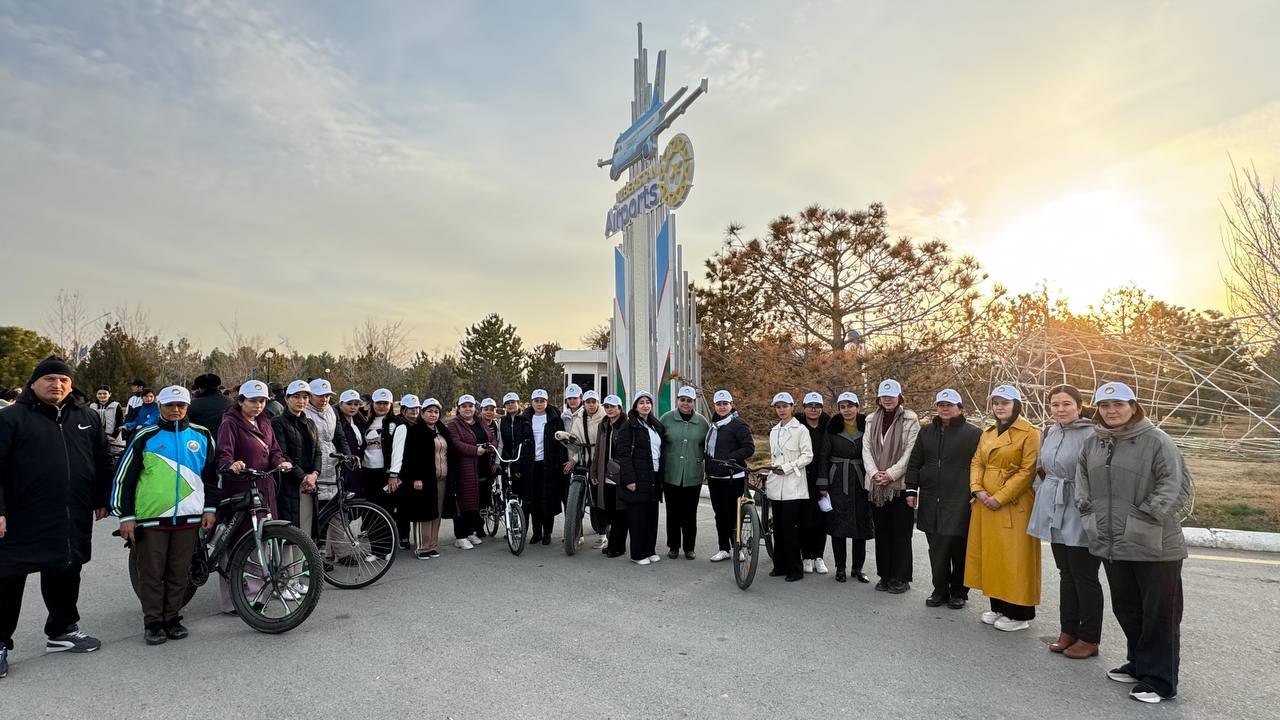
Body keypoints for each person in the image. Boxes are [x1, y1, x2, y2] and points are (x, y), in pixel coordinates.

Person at [1077, 382, 1189, 705]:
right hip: (1112, 541)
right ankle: (1139, 663)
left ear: (1133, 406)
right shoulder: (1094, 442)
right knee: (1127, 607)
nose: (1112, 411)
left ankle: (1161, 680)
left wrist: (1146, 515)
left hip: (1154, 544)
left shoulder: (1156, 440)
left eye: (1119, 405)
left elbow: (1174, 484)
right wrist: (1087, 509)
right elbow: (1082, 480)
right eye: (1105, 405)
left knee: (1160, 614)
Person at [0, 357, 112, 677]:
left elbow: (101, 459)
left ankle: (62, 630)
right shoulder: (10, 418)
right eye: (49, 378)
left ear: (71, 385)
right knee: (7, 579)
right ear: (34, 383)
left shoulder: (87, 417)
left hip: (71, 512)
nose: (57, 384)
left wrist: (101, 497)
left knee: (66, 569)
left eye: (63, 380)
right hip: (21, 515)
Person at [110, 385, 218, 645]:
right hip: (151, 519)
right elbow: (125, 477)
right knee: (151, 573)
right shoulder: (145, 435)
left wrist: (210, 508)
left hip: (190, 518)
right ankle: (153, 622)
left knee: (179, 573)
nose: (175, 410)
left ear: (188, 407)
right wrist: (125, 516)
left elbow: (212, 477)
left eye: (181, 405)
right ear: (160, 406)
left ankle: (172, 618)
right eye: (170, 405)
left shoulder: (202, 435)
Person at [1029, 384, 1103, 659]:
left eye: (1066, 404)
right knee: (1065, 572)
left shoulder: (1093, 434)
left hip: (1080, 507)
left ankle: (1089, 637)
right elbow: (1041, 467)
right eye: (1055, 404)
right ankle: (1068, 630)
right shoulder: (1050, 431)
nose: (1060, 409)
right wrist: (1043, 493)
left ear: (1079, 406)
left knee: (1084, 575)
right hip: (1054, 507)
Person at [966, 384, 1041, 632]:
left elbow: (1027, 470)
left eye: (1005, 403)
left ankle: (1019, 614)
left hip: (1013, 503)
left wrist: (1000, 497)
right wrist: (977, 489)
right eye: (996, 403)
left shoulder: (1030, 432)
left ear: (1016, 405)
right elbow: (977, 461)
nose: (999, 407)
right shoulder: (989, 432)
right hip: (985, 500)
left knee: (1015, 557)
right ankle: (998, 605)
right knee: (993, 555)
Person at [214, 380, 292, 613]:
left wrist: (280, 462)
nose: (258, 405)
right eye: (253, 401)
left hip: (264, 488)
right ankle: (233, 600)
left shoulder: (265, 423)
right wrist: (231, 464)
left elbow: (274, 450)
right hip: (240, 490)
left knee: (262, 541)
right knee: (237, 543)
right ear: (241, 401)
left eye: (262, 401)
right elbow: (223, 454)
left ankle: (256, 594)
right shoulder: (229, 423)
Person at [905, 389, 981, 609]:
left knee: (959, 550)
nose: (945, 409)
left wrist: (975, 493)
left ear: (960, 408)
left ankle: (959, 592)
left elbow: (980, 466)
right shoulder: (927, 431)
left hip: (959, 501)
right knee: (937, 550)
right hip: (931, 499)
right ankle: (939, 589)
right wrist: (911, 489)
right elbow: (915, 461)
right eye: (941, 405)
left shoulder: (973, 433)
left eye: (949, 405)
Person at [862, 379, 920, 594]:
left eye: (891, 396)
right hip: (876, 486)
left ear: (899, 397)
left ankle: (901, 577)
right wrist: (874, 473)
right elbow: (866, 449)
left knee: (901, 534)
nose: (887, 400)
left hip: (899, 486)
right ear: (879, 398)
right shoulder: (870, 420)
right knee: (883, 532)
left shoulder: (910, 419)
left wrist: (891, 474)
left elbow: (911, 452)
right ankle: (885, 575)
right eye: (884, 396)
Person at [819, 392, 873, 583]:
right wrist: (823, 482)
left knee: (861, 526)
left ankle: (858, 568)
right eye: (843, 407)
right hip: (837, 481)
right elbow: (824, 455)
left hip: (860, 479)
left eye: (850, 406)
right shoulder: (832, 426)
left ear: (857, 407)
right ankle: (840, 568)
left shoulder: (867, 426)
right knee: (838, 526)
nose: (847, 410)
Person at [614, 391, 665, 565]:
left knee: (651, 516)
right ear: (635, 406)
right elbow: (623, 455)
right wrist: (629, 479)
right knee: (637, 518)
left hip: (653, 477)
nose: (645, 405)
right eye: (641, 402)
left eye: (648, 402)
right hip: (637, 477)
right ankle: (637, 554)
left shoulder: (655, 425)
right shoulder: (628, 426)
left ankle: (650, 550)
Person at [703, 390, 754, 563]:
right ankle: (723, 548)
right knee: (720, 514)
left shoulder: (738, 424)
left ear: (731, 405)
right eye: (719, 404)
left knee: (734, 515)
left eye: (725, 403)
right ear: (714, 406)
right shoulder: (714, 425)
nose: (722, 407)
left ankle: (738, 548)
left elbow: (749, 448)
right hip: (715, 477)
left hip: (733, 477)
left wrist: (730, 458)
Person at [660, 386, 710, 560]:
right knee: (672, 512)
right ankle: (673, 546)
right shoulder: (666, 419)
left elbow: (708, 447)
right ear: (677, 401)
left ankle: (689, 547)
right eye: (682, 400)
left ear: (694, 402)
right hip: (671, 473)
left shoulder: (702, 422)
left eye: (689, 401)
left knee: (690, 513)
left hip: (693, 474)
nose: (685, 404)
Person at [767, 392, 812, 582]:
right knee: (777, 528)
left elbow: (807, 456)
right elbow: (774, 456)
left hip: (793, 486)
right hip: (776, 486)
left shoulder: (801, 430)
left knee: (790, 529)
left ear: (792, 407)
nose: (781, 410)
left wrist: (788, 467)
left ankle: (795, 568)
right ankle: (780, 565)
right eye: (778, 407)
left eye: (785, 406)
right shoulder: (774, 431)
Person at [400, 398, 454, 559]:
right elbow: (411, 457)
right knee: (423, 513)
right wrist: (416, 478)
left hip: (442, 479)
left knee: (436, 513)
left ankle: (432, 545)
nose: (433, 414)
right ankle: (422, 547)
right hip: (424, 480)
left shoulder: (442, 430)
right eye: (429, 411)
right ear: (422, 413)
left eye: (436, 412)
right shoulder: (416, 431)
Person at [272, 381, 322, 541]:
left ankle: (305, 560)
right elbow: (282, 454)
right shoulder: (278, 422)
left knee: (306, 533)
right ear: (287, 398)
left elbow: (318, 451)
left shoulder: (310, 423)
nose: (301, 401)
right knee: (290, 535)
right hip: (290, 483)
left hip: (309, 483)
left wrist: (314, 474)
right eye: (296, 397)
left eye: (305, 397)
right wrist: (303, 477)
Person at [447, 395, 494, 550]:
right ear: (459, 408)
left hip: (482, 467)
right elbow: (456, 443)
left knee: (476, 502)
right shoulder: (453, 424)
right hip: (464, 468)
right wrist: (475, 450)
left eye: (470, 406)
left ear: (475, 408)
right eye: (464, 406)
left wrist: (489, 446)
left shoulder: (479, 422)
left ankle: (470, 531)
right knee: (463, 502)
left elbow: (491, 437)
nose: (468, 409)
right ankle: (460, 536)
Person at [522, 389, 568, 545]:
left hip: (549, 465)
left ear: (547, 402)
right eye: (536, 401)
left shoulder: (555, 419)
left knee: (547, 500)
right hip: (531, 465)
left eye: (542, 401)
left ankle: (547, 532)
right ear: (532, 402)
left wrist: (560, 464)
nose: (539, 404)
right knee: (534, 500)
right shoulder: (526, 419)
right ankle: (536, 533)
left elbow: (561, 444)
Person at [302, 378, 351, 509]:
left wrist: (348, 454)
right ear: (310, 395)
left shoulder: (332, 411)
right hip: (313, 461)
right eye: (320, 396)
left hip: (331, 459)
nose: (324, 399)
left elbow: (339, 436)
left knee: (332, 504)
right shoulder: (303, 412)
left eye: (327, 396)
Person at [592, 394, 629, 558]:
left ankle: (618, 547)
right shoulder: (604, 424)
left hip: (620, 475)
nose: (609, 409)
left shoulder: (626, 425)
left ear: (620, 408)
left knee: (620, 512)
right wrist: (594, 470)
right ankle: (613, 543)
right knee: (610, 512)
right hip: (605, 474)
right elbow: (598, 450)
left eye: (613, 407)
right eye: (606, 406)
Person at [798, 392, 831, 574]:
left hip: (823, 478)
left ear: (821, 408)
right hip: (801, 478)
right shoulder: (797, 425)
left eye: (817, 406)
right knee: (804, 519)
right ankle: (806, 556)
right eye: (810, 406)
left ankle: (818, 556)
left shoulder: (829, 425)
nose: (813, 409)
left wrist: (825, 480)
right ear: (804, 408)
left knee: (821, 519)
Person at [387, 394, 421, 550]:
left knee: (412, 506)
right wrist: (394, 474)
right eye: (410, 408)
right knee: (403, 508)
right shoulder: (400, 425)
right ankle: (403, 536)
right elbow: (397, 451)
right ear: (403, 410)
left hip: (417, 471)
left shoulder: (420, 424)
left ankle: (417, 537)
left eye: (416, 408)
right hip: (403, 472)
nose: (414, 411)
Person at [498, 392, 534, 513]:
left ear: (518, 403)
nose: (510, 405)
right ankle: (510, 521)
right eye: (507, 403)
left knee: (524, 495)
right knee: (508, 491)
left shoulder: (526, 420)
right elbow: (501, 443)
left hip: (522, 461)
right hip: (507, 460)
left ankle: (523, 521)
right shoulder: (502, 421)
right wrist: (498, 462)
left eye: (513, 402)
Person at [335, 390, 364, 496]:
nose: (353, 407)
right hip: (345, 467)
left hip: (357, 466)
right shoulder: (337, 423)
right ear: (340, 404)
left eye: (356, 404)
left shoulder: (359, 422)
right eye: (349, 404)